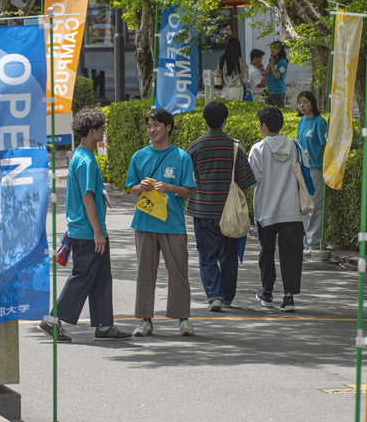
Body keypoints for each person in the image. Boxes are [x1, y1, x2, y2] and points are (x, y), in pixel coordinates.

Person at [38, 109, 131, 343]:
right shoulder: (87, 160)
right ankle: (52, 320)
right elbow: (87, 198)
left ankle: (104, 325)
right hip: (90, 231)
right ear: (92, 131)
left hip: (82, 228)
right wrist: (98, 232)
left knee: (100, 278)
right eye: (101, 128)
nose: (103, 131)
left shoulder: (79, 155)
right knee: (82, 277)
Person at [126, 109, 197, 337]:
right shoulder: (139, 156)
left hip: (173, 224)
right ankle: (145, 320)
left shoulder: (182, 157)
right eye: (148, 126)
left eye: (156, 125)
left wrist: (170, 188)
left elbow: (190, 191)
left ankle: (183, 319)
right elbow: (131, 187)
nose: (152, 130)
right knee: (145, 273)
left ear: (168, 127)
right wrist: (140, 188)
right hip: (144, 223)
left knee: (178, 273)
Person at [186, 102, 256, 310]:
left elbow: (188, 181)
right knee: (229, 254)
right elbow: (245, 184)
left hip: (202, 211)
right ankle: (227, 296)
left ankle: (214, 296)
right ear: (225, 121)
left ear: (205, 120)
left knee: (207, 255)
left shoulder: (194, 147)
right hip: (230, 212)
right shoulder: (236, 148)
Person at [248, 107, 307, 312]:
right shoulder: (294, 146)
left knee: (267, 251)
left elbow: (254, 181)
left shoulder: (258, 149)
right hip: (292, 208)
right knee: (291, 253)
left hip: (266, 210)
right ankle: (289, 297)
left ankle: (267, 292)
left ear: (264, 126)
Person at [296, 91, 328, 254]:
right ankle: (308, 242)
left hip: (316, 169)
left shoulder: (320, 122)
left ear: (312, 104)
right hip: (304, 169)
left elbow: (325, 146)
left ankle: (314, 243)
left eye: (305, 102)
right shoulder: (301, 121)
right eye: (300, 103)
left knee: (315, 206)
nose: (302, 106)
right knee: (305, 206)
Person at [262, 42, 288, 108]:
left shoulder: (282, 62)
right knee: (269, 112)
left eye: (274, 48)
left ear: (279, 49)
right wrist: (270, 64)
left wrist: (272, 65)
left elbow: (277, 76)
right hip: (270, 90)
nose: (272, 50)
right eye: (271, 48)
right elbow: (264, 74)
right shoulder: (272, 60)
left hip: (278, 92)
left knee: (278, 111)